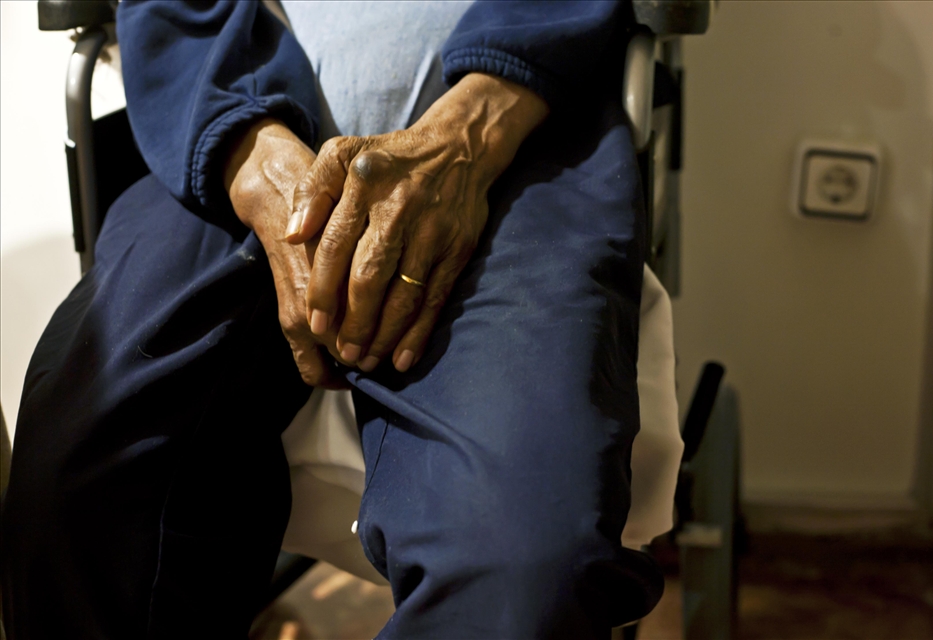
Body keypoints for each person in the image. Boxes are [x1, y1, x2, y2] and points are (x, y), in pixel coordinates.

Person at [1, 1, 671, 638]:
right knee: (72, 492)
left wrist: (475, 128)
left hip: (517, 140)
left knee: (522, 559)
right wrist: (248, 145)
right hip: (237, 134)